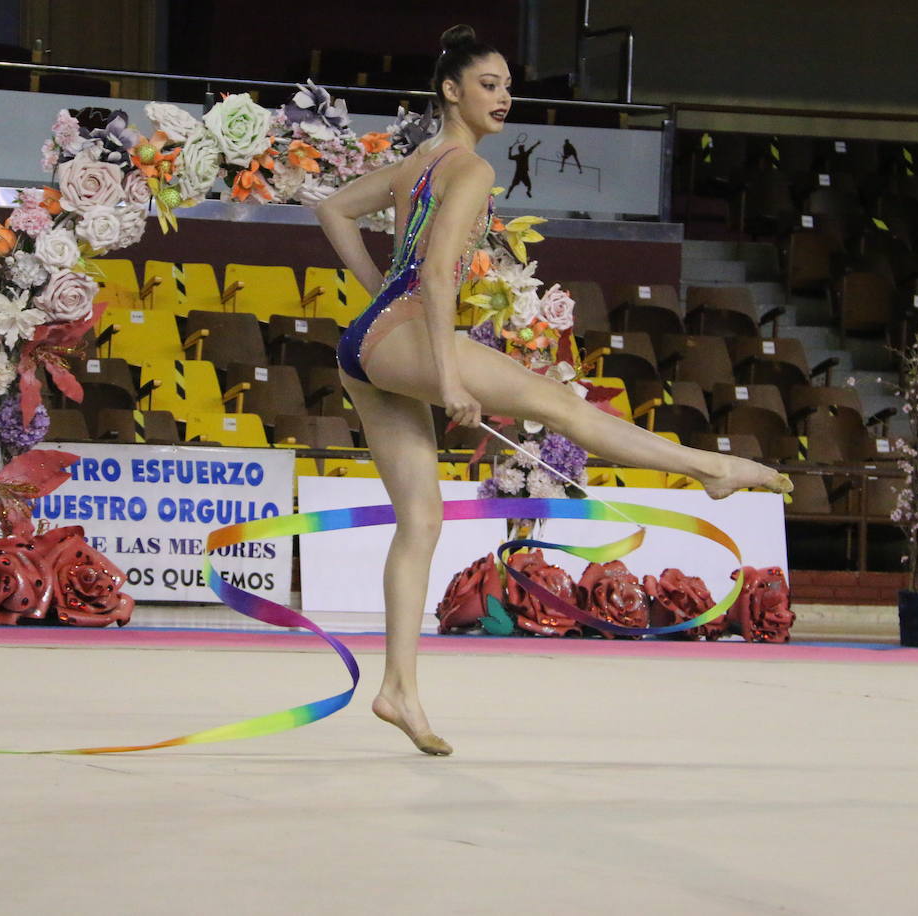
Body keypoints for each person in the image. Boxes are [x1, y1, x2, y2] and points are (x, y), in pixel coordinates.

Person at [315, 24, 791, 756]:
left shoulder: (418, 162)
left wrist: (377, 294)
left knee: (422, 520)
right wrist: (447, 378)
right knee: (563, 406)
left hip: (369, 342)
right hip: (407, 338)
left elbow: (332, 209)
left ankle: (398, 690)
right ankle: (713, 469)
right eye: (489, 85)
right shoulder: (469, 171)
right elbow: (439, 276)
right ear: (451, 90)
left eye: (507, 86)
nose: (505, 97)